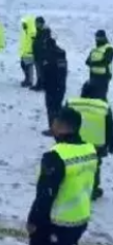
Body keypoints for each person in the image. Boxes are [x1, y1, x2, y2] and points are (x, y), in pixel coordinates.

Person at [27, 107, 98, 245]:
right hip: (81, 217)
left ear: (61, 126)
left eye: (54, 122)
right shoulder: (90, 150)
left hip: (57, 223)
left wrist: (33, 220)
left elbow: (45, 194)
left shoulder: (55, 156)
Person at [66, 81, 112, 201]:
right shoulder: (103, 106)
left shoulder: (72, 103)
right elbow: (110, 127)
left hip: (74, 141)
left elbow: (63, 121)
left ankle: (73, 186)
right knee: (94, 166)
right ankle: (93, 189)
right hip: (96, 145)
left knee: (73, 164)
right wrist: (110, 145)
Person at [41, 37, 68, 137]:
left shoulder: (52, 55)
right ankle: (59, 128)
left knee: (52, 108)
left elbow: (56, 72)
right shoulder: (60, 54)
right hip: (58, 86)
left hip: (53, 86)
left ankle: (54, 129)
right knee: (57, 107)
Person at [86, 29, 113, 100]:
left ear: (104, 37)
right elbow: (87, 61)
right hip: (93, 76)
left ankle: (106, 110)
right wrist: (91, 63)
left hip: (103, 76)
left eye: (99, 37)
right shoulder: (94, 49)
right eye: (97, 37)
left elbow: (106, 62)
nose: (97, 39)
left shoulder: (108, 48)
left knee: (101, 96)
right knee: (92, 96)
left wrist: (93, 63)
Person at [31, 17, 49, 91]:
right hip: (37, 55)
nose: (36, 24)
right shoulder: (39, 31)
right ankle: (39, 84)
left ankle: (42, 85)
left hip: (42, 56)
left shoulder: (45, 32)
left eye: (37, 23)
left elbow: (45, 45)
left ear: (41, 23)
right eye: (35, 23)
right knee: (38, 71)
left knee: (42, 71)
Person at [20, 16, 37, 88]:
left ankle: (29, 81)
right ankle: (27, 79)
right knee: (23, 65)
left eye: (24, 23)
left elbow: (35, 43)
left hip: (30, 53)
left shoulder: (32, 32)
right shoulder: (25, 31)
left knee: (29, 67)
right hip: (24, 53)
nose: (23, 25)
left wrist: (33, 51)